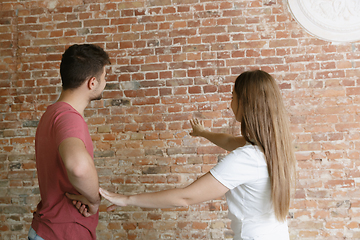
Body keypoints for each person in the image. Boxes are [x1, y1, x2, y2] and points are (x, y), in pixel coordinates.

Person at [68, 70, 296, 240]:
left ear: (246, 104)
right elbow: (230, 141)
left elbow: (184, 198)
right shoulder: (272, 149)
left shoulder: (246, 159)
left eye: (233, 95)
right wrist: (204, 133)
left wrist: (126, 199)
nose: (230, 102)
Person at [28, 44, 111, 240]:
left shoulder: (52, 113)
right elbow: (78, 167)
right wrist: (94, 200)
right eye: (105, 77)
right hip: (64, 232)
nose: (105, 82)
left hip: (47, 229)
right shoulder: (69, 118)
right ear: (92, 82)